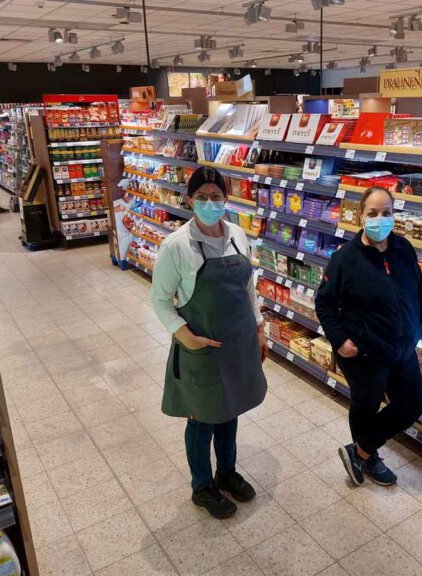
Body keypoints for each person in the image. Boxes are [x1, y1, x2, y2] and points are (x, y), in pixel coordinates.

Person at [152, 167, 268, 519]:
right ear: (189, 200)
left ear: (226, 200)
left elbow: (248, 288)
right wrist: (184, 334)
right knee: (202, 418)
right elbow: (159, 299)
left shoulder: (236, 234)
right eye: (201, 197)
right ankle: (202, 486)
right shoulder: (176, 246)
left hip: (235, 343)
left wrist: (259, 326)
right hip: (200, 347)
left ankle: (227, 471)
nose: (209, 203)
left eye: (216, 196)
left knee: (229, 409)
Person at [315, 187, 422, 486]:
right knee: (366, 404)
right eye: (373, 213)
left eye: (386, 212)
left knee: (412, 404)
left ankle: (359, 451)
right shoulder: (345, 259)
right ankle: (370, 458)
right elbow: (323, 302)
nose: (380, 219)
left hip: (402, 348)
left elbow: (419, 295)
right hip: (364, 351)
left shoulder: (403, 249)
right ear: (361, 216)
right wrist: (339, 340)